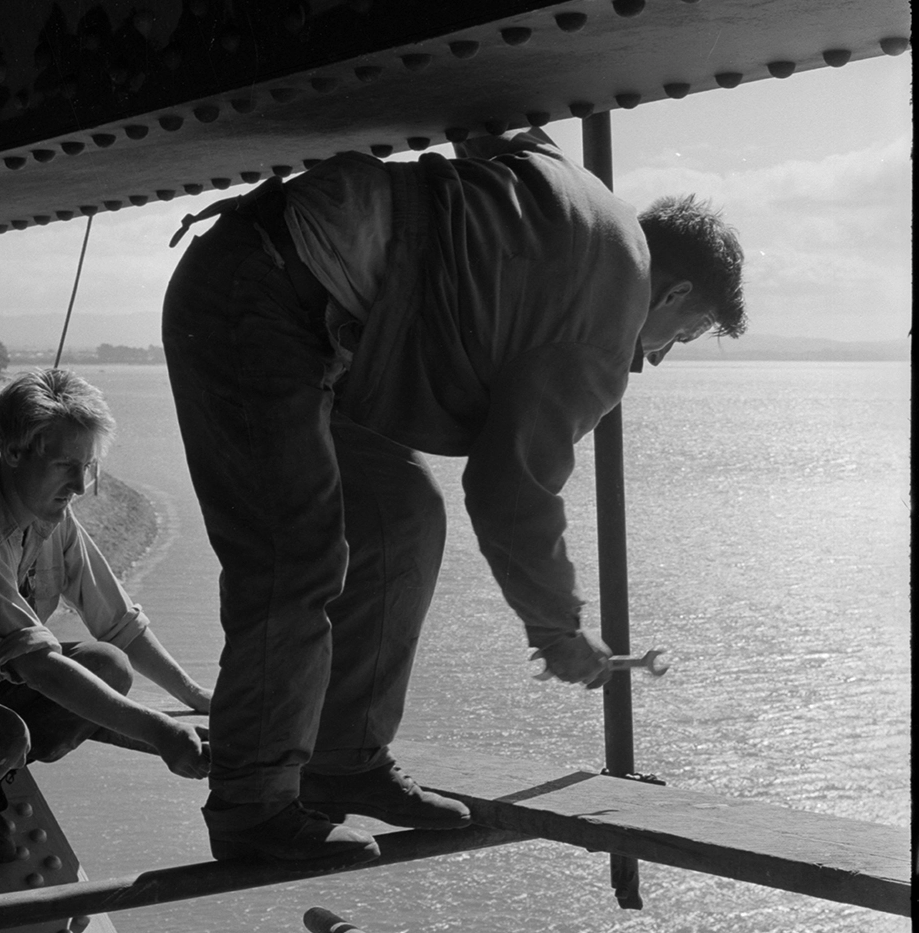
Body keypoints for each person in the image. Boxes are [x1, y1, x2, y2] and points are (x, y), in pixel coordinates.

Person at [162, 130, 745, 865]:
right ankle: (251, 808)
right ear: (676, 291)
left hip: (301, 310)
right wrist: (559, 632)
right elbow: (512, 493)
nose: (653, 358)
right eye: (681, 335)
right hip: (265, 298)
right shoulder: (608, 313)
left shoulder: (578, 196)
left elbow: (500, 140)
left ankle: (343, 757)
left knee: (402, 513)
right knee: (293, 556)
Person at [0, 368, 211, 863]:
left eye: (88, 467)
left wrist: (193, 696)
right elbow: (36, 663)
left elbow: (118, 622)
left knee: (109, 664)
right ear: (14, 451)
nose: (81, 485)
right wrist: (160, 730)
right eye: (66, 465)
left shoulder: (50, 519)